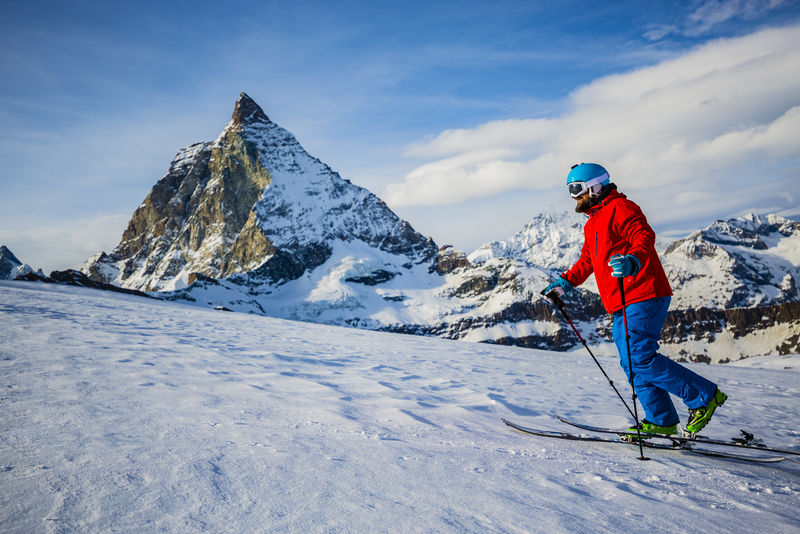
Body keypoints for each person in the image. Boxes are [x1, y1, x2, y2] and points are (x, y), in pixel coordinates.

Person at [543, 163, 727, 437]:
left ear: (595, 186)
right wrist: (565, 283)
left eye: (576, 189)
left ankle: (704, 397)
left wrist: (632, 261)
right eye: (570, 190)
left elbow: (644, 236)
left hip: (643, 292)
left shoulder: (621, 208)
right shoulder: (593, 222)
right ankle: (661, 420)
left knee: (639, 358)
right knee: (631, 362)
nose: (573, 196)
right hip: (620, 302)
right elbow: (588, 261)